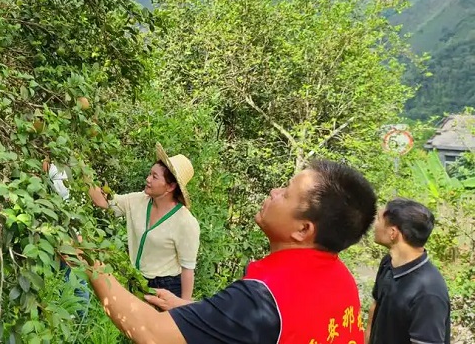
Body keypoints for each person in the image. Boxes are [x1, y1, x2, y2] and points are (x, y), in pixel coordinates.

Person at [86, 159, 377, 344]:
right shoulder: (342, 279)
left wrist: (91, 265)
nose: (274, 192)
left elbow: (151, 331)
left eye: (286, 192)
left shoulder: (262, 297)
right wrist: (189, 309)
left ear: (303, 229)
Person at [88, 143, 200, 300]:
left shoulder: (185, 222)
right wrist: (82, 172)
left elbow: (188, 268)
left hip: (166, 287)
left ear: (170, 187)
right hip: (137, 281)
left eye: (154, 177)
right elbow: (104, 202)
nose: (148, 179)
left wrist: (184, 305)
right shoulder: (138, 200)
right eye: (150, 174)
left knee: (160, 325)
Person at [365, 198, 451, 344]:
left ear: (393, 232)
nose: (375, 225)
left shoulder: (428, 293)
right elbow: (376, 305)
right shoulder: (388, 263)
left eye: (379, 219)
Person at [42, 158, 90, 319]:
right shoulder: (61, 170)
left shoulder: (57, 174)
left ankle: (82, 320)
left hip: (68, 234)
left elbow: (69, 203)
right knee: (63, 275)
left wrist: (74, 236)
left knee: (75, 276)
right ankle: (67, 315)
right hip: (60, 234)